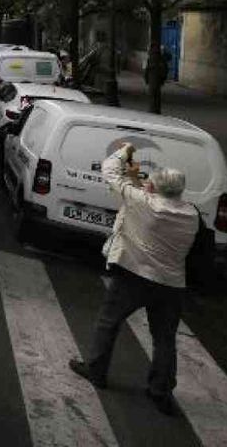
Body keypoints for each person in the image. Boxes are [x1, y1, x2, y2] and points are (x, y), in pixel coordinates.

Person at [69, 143, 199, 415]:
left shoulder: (145, 205)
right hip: (171, 284)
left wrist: (124, 151)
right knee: (164, 339)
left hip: (134, 276)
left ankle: (96, 370)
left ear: (153, 189)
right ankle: (160, 391)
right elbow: (147, 194)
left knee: (109, 322)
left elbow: (110, 171)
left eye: (149, 183)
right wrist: (137, 177)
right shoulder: (190, 214)